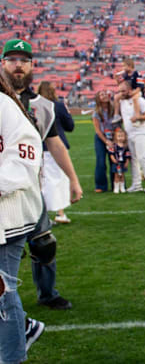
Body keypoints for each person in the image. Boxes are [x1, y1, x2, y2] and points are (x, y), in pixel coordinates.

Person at [2, 38, 80, 310]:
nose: (18, 66)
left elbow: (55, 144)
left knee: (44, 244)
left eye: (23, 61)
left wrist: (73, 179)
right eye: (12, 60)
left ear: (32, 66)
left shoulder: (43, 106)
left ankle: (48, 294)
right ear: (3, 64)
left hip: (30, 188)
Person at [0, 72, 45, 362]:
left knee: (3, 292)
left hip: (8, 216)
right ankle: (25, 327)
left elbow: (26, 156)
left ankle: (12, 356)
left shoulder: (4, 106)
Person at [37, 81, 75, 224]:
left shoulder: (35, 106)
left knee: (42, 181)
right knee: (58, 180)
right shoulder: (58, 106)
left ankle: (44, 215)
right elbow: (70, 126)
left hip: (39, 147)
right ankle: (59, 213)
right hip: (57, 147)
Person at [114, 80, 145, 193]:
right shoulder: (122, 102)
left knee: (143, 158)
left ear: (129, 89)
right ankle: (136, 184)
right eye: (119, 91)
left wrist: (138, 117)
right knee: (133, 159)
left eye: (123, 91)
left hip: (141, 132)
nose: (121, 93)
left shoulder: (140, 100)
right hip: (130, 133)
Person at [92, 90, 115, 192]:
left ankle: (116, 184)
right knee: (101, 162)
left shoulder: (113, 109)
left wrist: (115, 139)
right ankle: (100, 186)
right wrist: (106, 141)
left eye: (105, 93)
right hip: (101, 138)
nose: (104, 95)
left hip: (113, 137)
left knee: (114, 160)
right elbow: (97, 130)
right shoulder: (96, 113)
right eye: (102, 94)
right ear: (98, 98)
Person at [110, 128, 131, 193]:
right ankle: (116, 188)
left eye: (122, 136)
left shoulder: (126, 146)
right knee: (116, 175)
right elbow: (111, 154)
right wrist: (113, 160)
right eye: (119, 136)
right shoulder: (114, 146)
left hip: (122, 163)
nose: (120, 138)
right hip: (116, 163)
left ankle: (122, 187)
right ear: (115, 137)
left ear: (125, 137)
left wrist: (127, 162)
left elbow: (127, 156)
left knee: (122, 175)